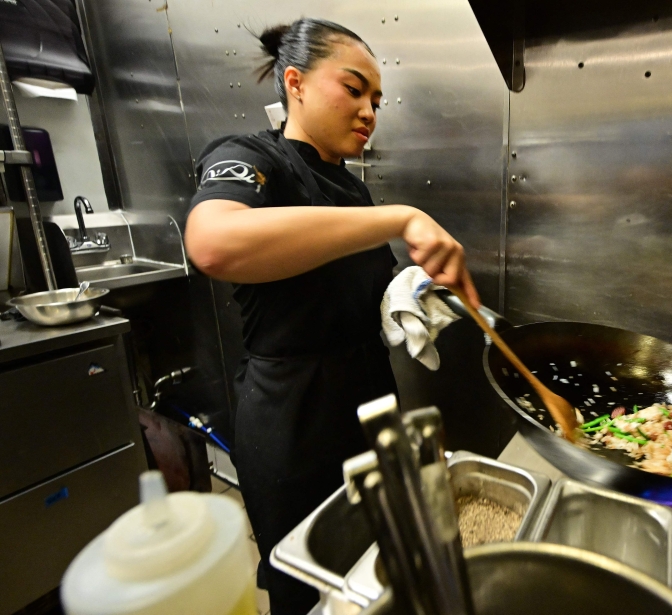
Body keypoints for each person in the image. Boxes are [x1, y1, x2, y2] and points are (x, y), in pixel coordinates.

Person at [183, 18, 480, 615]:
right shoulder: (250, 157)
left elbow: (344, 288)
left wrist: (409, 296)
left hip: (368, 402)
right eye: (353, 89)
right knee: (307, 586)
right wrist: (403, 217)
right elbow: (213, 243)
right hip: (293, 419)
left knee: (376, 574)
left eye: (377, 100)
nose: (370, 111)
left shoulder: (350, 187)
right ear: (295, 83)